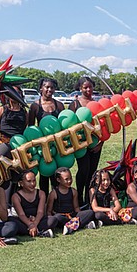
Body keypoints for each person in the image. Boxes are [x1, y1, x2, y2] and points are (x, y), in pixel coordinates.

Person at [68, 77, 103, 207]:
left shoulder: (97, 104)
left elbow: (104, 126)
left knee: (92, 171)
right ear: (80, 88)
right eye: (85, 87)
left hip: (95, 145)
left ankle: (90, 199)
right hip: (80, 144)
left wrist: (101, 143)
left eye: (90, 87)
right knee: (83, 169)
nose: (88, 90)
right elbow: (69, 127)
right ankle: (79, 198)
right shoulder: (75, 104)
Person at [27, 78, 64, 195]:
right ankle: (44, 203)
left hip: (56, 146)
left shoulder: (59, 105)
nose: (49, 89)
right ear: (41, 88)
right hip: (42, 147)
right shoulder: (35, 106)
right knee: (44, 175)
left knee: (57, 175)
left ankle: (56, 203)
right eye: (46, 87)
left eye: (52, 87)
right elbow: (31, 127)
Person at [46, 167, 97, 235]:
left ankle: (69, 227)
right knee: (57, 217)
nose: (69, 181)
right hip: (61, 217)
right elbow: (49, 211)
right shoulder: (53, 193)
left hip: (72, 215)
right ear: (58, 180)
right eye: (66, 179)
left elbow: (76, 207)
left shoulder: (73, 191)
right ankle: (80, 224)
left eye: (70, 178)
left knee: (90, 212)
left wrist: (79, 216)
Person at [10, 170, 55, 238]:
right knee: (12, 221)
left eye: (34, 180)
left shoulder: (41, 193)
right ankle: (38, 231)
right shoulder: (16, 196)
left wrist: (34, 224)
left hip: (37, 219)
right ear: (21, 183)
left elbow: (40, 212)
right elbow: (21, 214)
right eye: (29, 181)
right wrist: (30, 224)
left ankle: (32, 231)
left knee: (53, 219)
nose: (32, 184)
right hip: (24, 221)